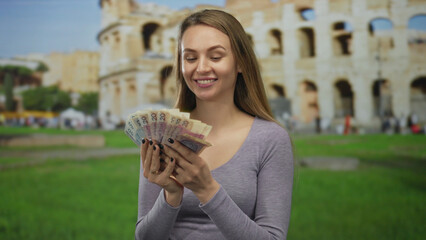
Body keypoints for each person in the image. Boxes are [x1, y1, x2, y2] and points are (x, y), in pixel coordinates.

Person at [135, 9, 294, 240]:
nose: (201, 68)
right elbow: (144, 237)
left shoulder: (270, 139)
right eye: (190, 58)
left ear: (240, 63)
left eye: (216, 56)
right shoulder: (162, 134)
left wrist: (206, 189)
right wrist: (171, 195)